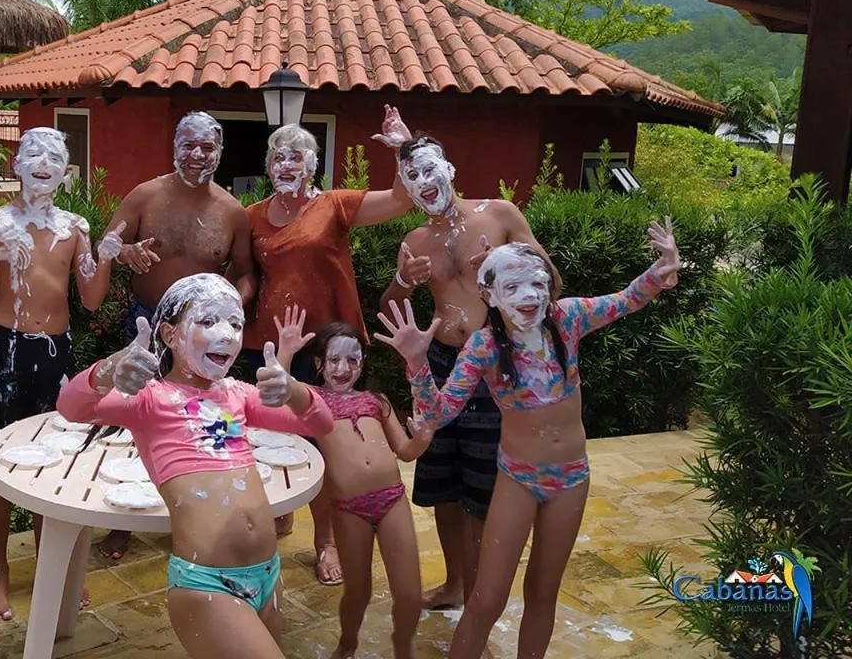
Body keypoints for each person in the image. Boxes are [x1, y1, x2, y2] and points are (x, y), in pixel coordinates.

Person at [375, 221, 680, 659]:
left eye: (537, 283)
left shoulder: (567, 318)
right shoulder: (483, 347)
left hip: (571, 479)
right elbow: (439, 414)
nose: (529, 295)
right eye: (513, 286)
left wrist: (661, 268)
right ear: (490, 295)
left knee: (543, 592)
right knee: (486, 599)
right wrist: (417, 363)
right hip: (518, 479)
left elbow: (627, 299)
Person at [57, 274, 334, 658]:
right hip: (208, 586)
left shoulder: (238, 395)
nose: (226, 334)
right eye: (207, 321)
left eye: (235, 324)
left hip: (268, 575)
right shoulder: (150, 399)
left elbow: (320, 423)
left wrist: (294, 390)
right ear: (170, 335)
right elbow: (70, 406)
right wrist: (108, 369)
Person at [379, 135, 560, 610]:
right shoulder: (416, 241)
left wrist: (503, 266)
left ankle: (483, 592)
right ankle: (456, 583)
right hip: (440, 364)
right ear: (407, 189)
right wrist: (402, 281)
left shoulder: (499, 214)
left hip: (496, 363)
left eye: (429, 169)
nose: (424, 181)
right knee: (443, 484)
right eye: (412, 176)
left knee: (485, 483)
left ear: (450, 169)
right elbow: (389, 309)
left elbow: (552, 282)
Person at [242, 107, 414, 585]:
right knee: (273, 438)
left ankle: (326, 541)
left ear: (313, 165)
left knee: (324, 445)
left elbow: (402, 200)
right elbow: (244, 274)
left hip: (328, 352)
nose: (287, 164)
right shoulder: (251, 217)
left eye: (297, 156)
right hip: (270, 349)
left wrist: (403, 147)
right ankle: (283, 510)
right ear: (268, 165)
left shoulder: (334, 204)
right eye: (278, 156)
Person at [0, 127, 119, 621]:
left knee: (52, 459)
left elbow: (91, 300)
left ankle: (48, 566)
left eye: (53, 157)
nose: (42, 163)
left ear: (66, 172)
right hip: (1, 348)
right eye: (32, 153)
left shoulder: (75, 227)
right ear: (16, 165)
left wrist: (107, 258)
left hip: (54, 352)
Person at [93, 111, 256, 560]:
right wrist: (126, 252)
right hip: (147, 324)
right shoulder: (145, 196)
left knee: (202, 424)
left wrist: (231, 304)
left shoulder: (232, 212)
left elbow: (246, 273)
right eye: (189, 145)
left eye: (207, 146)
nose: (197, 154)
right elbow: (106, 246)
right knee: (133, 420)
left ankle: (199, 512)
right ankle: (123, 520)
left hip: (203, 339)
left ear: (220, 152)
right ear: (175, 148)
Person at [273, 309, 432, 659]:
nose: (343, 368)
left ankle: (403, 650)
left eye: (352, 359)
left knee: (410, 594)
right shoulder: (313, 400)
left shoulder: (377, 401)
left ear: (362, 362)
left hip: (392, 500)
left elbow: (405, 452)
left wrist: (422, 438)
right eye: (334, 360)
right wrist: (285, 350)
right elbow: (279, 389)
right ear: (319, 364)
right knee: (358, 593)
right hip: (349, 509)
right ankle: (347, 644)